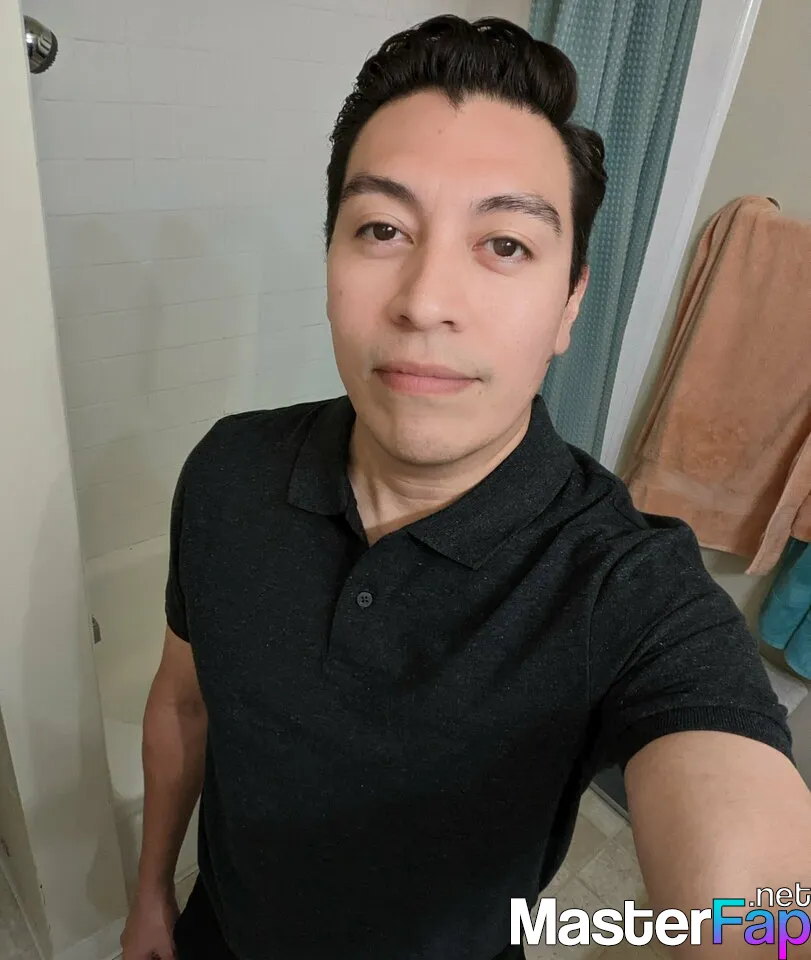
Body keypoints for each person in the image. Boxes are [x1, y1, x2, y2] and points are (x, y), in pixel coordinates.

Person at [120, 15, 810, 960]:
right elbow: (182, 704)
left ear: (569, 305)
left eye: (506, 245)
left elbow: (768, 911)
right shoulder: (227, 471)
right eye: (382, 229)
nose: (424, 300)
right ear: (328, 262)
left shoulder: (624, 586)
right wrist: (150, 894)